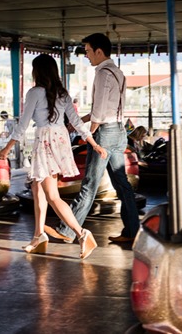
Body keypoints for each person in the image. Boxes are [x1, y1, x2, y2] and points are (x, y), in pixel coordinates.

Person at [0, 54, 106, 260]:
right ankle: (38, 237)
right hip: (60, 142)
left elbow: (22, 125)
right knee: (37, 189)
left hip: (45, 142)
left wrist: (6, 149)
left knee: (52, 196)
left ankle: (82, 234)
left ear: (37, 71)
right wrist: (93, 143)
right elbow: (75, 121)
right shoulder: (62, 93)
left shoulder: (34, 93)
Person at [45, 33, 140, 244]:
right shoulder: (118, 73)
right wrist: (79, 120)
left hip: (104, 133)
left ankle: (67, 231)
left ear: (99, 51)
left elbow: (98, 112)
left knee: (89, 184)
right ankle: (133, 231)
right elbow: (106, 109)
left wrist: (88, 133)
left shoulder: (102, 74)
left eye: (88, 51)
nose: (86, 55)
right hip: (119, 131)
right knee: (122, 185)